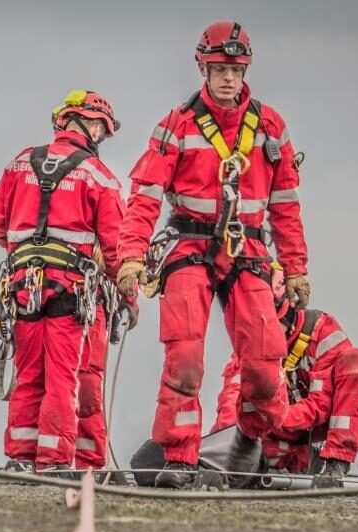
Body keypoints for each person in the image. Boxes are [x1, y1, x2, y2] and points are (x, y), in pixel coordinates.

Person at [116, 21, 310, 488]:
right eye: (220, 68)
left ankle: (245, 440)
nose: (228, 78)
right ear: (203, 67)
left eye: (236, 69)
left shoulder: (271, 127)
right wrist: (130, 258)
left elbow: (285, 207)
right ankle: (180, 460)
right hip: (189, 246)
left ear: (246, 71)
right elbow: (144, 196)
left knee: (266, 365)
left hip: (249, 251)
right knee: (184, 360)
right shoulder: (176, 125)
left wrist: (297, 269)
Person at [0, 90, 125, 473]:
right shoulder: (99, 176)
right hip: (72, 293)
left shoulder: (19, 164)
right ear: (94, 125)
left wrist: (31, 248)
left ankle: (20, 458)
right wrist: (127, 294)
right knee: (64, 380)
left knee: (29, 375)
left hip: (23, 289)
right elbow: (116, 249)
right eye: (102, 129)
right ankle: (56, 462)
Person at [212, 268, 358, 487]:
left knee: (355, 359)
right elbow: (231, 400)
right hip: (279, 430)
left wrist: (273, 418)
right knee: (245, 452)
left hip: (309, 426)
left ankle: (336, 463)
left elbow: (320, 405)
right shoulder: (250, 344)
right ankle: (272, 460)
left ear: (287, 311)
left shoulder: (323, 332)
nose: (264, 334)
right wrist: (228, 443)